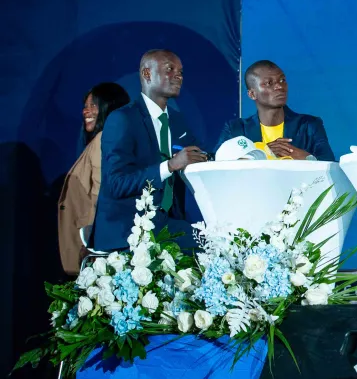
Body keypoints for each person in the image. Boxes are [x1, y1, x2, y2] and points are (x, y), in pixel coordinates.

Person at [97, 50, 208, 250]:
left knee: (214, 242)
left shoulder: (176, 120)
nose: (179, 76)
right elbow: (116, 184)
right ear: (147, 74)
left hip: (167, 224)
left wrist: (241, 157)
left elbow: (201, 154)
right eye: (170, 69)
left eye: (181, 72)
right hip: (128, 231)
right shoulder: (123, 119)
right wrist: (169, 166)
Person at [58, 83, 131, 274]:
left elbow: (102, 195)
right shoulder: (106, 141)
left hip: (95, 250)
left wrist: (93, 244)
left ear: (111, 107)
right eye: (85, 106)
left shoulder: (103, 140)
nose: (86, 111)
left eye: (94, 105)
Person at [217, 60, 335, 161]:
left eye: (282, 80)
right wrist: (263, 152)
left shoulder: (309, 125)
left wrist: (306, 158)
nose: (279, 86)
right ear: (252, 94)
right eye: (269, 83)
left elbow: (330, 165)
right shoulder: (235, 129)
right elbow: (218, 165)